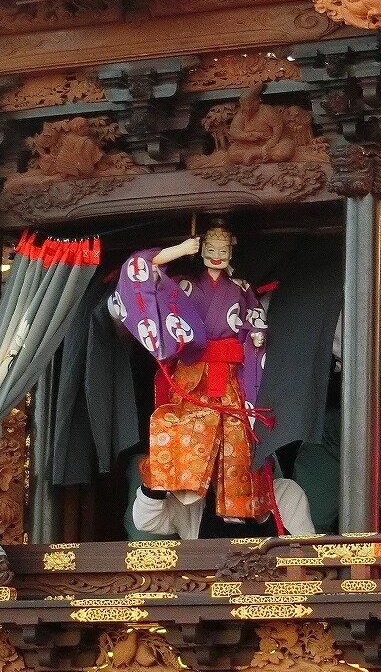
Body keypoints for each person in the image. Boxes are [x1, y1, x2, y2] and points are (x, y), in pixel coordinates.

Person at [113, 223, 273, 526]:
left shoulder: (241, 288)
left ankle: (238, 503)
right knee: (183, 427)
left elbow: (255, 320)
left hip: (230, 374)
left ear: (231, 252)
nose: (216, 255)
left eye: (222, 250)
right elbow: (143, 272)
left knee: (237, 435)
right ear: (201, 251)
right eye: (210, 249)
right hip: (192, 373)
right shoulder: (184, 285)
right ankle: (180, 482)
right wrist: (179, 250)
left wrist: (256, 336)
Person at [131, 474, 315, 539]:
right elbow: (146, 521)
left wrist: (261, 510)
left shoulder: (286, 492)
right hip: (205, 597)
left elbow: (306, 561)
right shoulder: (192, 497)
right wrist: (155, 479)